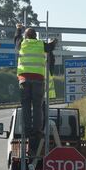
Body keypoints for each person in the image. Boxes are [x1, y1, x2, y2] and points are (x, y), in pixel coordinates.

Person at [14, 23, 57, 156]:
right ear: (36, 36)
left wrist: (18, 29)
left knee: (26, 105)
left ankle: (27, 130)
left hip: (24, 80)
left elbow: (16, 39)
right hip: (38, 79)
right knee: (37, 107)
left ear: (26, 36)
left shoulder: (22, 44)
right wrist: (54, 41)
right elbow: (50, 47)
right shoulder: (40, 44)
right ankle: (37, 130)